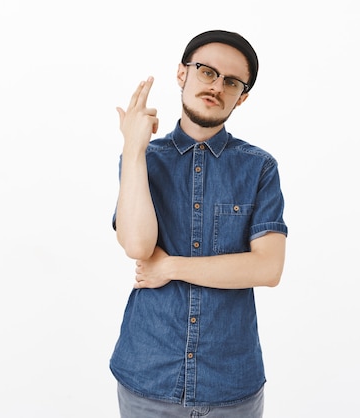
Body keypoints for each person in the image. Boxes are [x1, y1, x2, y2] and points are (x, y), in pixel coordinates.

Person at [110, 30, 288, 418]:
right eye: (206, 72)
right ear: (182, 74)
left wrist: (170, 267)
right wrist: (133, 149)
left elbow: (268, 267)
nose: (216, 86)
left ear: (242, 96)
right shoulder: (144, 159)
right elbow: (138, 247)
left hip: (230, 383)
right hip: (147, 376)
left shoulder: (259, 167)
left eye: (231, 81)